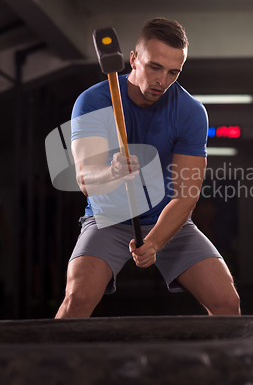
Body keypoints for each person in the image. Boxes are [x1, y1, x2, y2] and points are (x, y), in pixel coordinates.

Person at [55, 18, 240, 318]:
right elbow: (86, 180)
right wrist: (112, 172)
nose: (163, 81)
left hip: (167, 219)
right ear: (133, 60)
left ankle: (231, 366)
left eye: (173, 72)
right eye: (155, 67)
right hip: (108, 218)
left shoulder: (190, 112)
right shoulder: (92, 101)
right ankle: (48, 366)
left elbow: (186, 195)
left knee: (226, 301)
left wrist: (153, 242)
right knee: (77, 297)